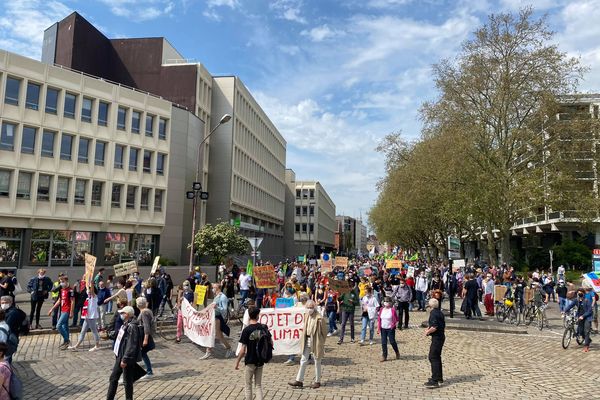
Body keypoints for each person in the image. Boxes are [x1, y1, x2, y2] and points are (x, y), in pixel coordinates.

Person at [106, 306, 145, 400]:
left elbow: (132, 344)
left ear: (127, 314)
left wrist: (125, 359)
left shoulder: (132, 326)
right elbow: (120, 336)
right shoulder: (126, 323)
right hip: (120, 355)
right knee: (114, 378)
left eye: (122, 313)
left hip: (126, 358)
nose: (121, 315)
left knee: (127, 381)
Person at [288, 300, 328, 389]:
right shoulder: (306, 315)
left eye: (311, 307)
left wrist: (321, 342)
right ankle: (299, 380)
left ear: (314, 307)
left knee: (317, 361)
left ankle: (317, 381)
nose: (309, 309)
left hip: (316, 341)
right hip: (307, 340)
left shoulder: (319, 318)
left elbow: (324, 332)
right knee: (303, 360)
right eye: (308, 307)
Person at [235, 307, 270, 400]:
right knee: (258, 385)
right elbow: (271, 342)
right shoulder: (263, 327)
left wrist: (237, 362)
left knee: (248, 385)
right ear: (258, 316)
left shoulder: (246, 330)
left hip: (250, 360)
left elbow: (242, 350)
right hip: (260, 360)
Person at [200, 283, 233, 359]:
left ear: (217, 288)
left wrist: (217, 307)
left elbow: (224, 310)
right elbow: (211, 306)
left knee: (218, 335)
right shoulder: (216, 296)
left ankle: (228, 348)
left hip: (218, 318)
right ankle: (209, 351)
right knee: (212, 334)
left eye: (213, 288)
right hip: (213, 317)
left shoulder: (223, 297)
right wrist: (203, 312)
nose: (212, 289)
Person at [68, 286, 101, 351]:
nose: (87, 290)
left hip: (92, 316)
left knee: (94, 331)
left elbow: (91, 290)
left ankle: (97, 345)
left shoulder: (94, 297)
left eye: (89, 290)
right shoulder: (88, 298)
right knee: (83, 331)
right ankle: (76, 345)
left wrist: (91, 281)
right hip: (87, 316)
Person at [48, 275, 74, 350]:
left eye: (63, 281)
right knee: (65, 326)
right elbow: (59, 301)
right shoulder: (62, 290)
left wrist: (71, 312)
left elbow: (72, 301)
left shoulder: (70, 290)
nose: (61, 283)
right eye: (60, 282)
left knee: (58, 325)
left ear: (66, 281)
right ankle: (66, 342)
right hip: (62, 310)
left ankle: (67, 340)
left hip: (67, 310)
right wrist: (51, 309)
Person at [424, 298, 445, 388]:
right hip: (441, 336)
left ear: (430, 305)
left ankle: (435, 380)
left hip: (437, 337)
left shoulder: (433, 313)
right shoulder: (440, 312)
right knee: (437, 356)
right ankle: (439, 377)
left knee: (433, 357)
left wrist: (427, 332)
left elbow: (434, 326)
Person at [136, 296, 156, 378]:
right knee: (142, 354)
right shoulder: (147, 311)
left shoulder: (144, 312)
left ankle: (149, 371)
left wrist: (145, 339)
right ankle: (148, 371)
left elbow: (146, 326)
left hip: (145, 335)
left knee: (142, 353)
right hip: (145, 335)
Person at [377, 296, 399, 362]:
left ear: (390, 303)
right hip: (383, 328)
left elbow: (396, 319)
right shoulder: (381, 309)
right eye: (385, 301)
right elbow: (379, 319)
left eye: (388, 302)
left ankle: (397, 352)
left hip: (390, 328)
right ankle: (384, 356)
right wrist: (378, 327)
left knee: (392, 341)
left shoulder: (392, 310)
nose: (386, 303)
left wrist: (395, 324)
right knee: (383, 342)